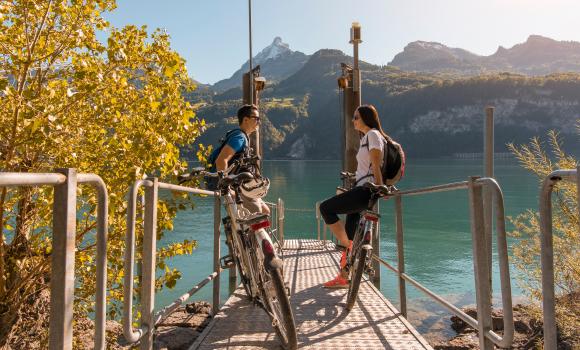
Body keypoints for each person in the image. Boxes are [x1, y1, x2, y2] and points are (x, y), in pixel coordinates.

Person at [319, 104, 387, 288]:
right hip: (362, 188)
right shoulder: (368, 137)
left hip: (365, 190)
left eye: (356, 117)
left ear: (366, 118)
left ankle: (347, 245)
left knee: (325, 208)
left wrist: (380, 187)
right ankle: (343, 277)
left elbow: (376, 162)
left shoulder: (373, 134)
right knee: (350, 231)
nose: (353, 120)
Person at [209, 104, 270, 214]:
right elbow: (221, 160)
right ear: (245, 120)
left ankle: (250, 230)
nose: (259, 122)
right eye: (256, 118)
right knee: (256, 212)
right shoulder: (239, 137)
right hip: (233, 186)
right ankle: (249, 231)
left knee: (266, 211)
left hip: (241, 185)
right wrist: (226, 187)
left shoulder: (244, 137)